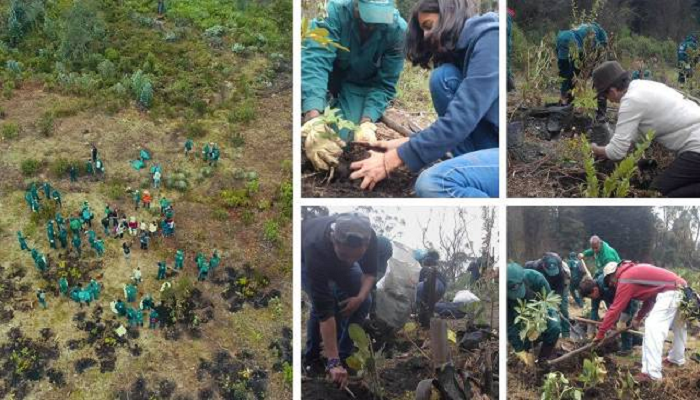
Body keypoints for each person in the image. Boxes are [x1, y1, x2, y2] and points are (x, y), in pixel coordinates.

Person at [349, 0, 499, 197]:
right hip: (486, 143)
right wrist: (409, 143)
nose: (426, 35)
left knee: (433, 184)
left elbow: (461, 119)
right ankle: (467, 165)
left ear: (449, 14)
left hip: (503, 153)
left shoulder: (491, 39)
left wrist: (392, 160)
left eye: (428, 26)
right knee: (442, 77)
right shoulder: (460, 51)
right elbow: (458, 118)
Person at [301, 0, 407, 172]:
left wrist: (366, 122)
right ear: (355, 4)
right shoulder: (333, 12)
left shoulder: (397, 30)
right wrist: (313, 118)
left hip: (358, 86)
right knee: (311, 124)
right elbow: (315, 62)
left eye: (377, 19)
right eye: (367, 17)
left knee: (342, 137)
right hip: (327, 78)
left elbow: (384, 84)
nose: (371, 26)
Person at [590, 61, 700, 197]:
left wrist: (594, 149)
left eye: (605, 96)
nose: (608, 100)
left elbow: (617, 152)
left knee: (656, 194)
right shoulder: (641, 86)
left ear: (612, 91)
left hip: (697, 149)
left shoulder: (631, 101)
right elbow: (634, 139)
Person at [302, 212, 377, 388]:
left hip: (334, 262)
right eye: (345, 256)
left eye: (356, 257)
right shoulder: (315, 244)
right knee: (326, 305)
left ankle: (343, 357)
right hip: (307, 261)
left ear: (365, 244)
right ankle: (313, 359)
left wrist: (359, 298)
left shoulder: (369, 236)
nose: (351, 262)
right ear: (333, 240)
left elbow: (369, 274)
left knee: (366, 301)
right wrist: (332, 361)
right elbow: (324, 309)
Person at [593, 261, 688, 381]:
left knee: (653, 327)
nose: (611, 285)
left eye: (609, 281)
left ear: (613, 274)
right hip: (681, 289)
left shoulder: (625, 278)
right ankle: (676, 359)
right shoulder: (633, 273)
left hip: (671, 291)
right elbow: (650, 299)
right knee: (679, 326)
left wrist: (600, 333)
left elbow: (615, 309)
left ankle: (652, 374)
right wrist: (638, 318)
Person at [507, 262, 561, 364]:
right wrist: (519, 350)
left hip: (541, 313)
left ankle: (542, 359)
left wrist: (541, 319)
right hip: (521, 318)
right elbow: (509, 324)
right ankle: (525, 357)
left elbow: (550, 303)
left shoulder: (536, 278)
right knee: (521, 339)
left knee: (554, 327)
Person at [579, 272, 640, 355]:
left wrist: (623, 319)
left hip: (630, 300)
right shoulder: (594, 290)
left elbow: (626, 301)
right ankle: (635, 341)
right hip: (616, 303)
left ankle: (627, 349)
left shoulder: (607, 286)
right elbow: (594, 310)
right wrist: (590, 331)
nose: (592, 299)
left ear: (595, 290)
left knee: (624, 324)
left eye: (591, 297)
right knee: (617, 323)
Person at [555, 22, 608, 116]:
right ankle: (568, 104)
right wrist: (563, 94)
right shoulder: (561, 39)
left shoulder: (592, 40)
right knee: (570, 74)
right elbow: (563, 71)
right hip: (582, 45)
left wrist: (587, 74)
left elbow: (586, 66)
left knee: (600, 76)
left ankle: (601, 112)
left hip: (597, 45)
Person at [524, 252, 571, 338]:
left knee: (562, 307)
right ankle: (542, 332)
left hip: (558, 285)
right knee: (537, 308)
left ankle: (566, 333)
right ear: (543, 266)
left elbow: (559, 290)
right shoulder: (534, 266)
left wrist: (555, 303)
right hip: (541, 287)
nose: (552, 273)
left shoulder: (561, 271)